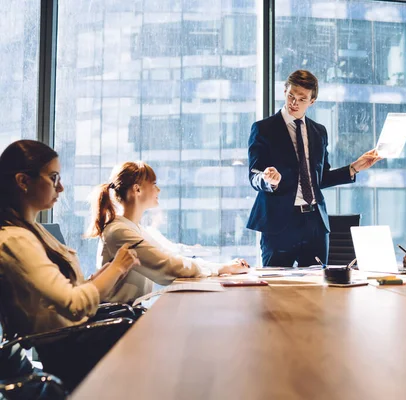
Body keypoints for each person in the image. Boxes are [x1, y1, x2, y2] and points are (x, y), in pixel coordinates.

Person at [0, 140, 140, 389]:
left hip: (71, 339)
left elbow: (68, 295)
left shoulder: (34, 231)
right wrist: (117, 268)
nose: (61, 187)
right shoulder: (16, 239)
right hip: (67, 350)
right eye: (53, 178)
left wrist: (105, 275)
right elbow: (75, 306)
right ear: (23, 181)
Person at [247, 69, 381, 267]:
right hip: (279, 223)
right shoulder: (263, 129)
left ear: (312, 101)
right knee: (275, 290)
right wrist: (268, 180)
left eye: (302, 99)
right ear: (285, 91)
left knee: (318, 287)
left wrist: (353, 168)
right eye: (291, 95)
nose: (294, 103)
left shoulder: (319, 132)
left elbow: (320, 179)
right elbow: (253, 174)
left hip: (314, 224)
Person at [88, 161, 249, 304]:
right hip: (118, 319)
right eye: (154, 184)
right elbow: (167, 266)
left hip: (127, 314)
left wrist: (223, 267)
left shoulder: (135, 229)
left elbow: (170, 257)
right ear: (137, 189)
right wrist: (221, 269)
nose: (158, 189)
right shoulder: (119, 232)